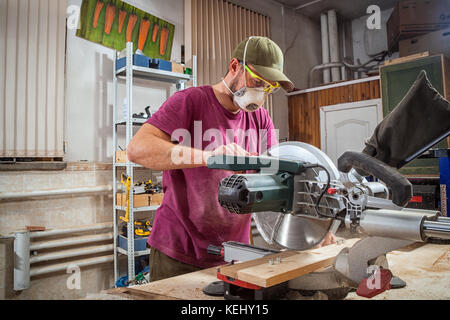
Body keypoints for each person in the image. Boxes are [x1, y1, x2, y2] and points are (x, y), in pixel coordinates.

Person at [127, 36, 334, 282]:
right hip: (179, 251)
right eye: (257, 81)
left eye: (268, 88)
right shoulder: (190, 102)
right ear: (234, 66)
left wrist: (315, 229)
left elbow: (281, 179)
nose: (260, 93)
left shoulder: (261, 120)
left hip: (236, 251)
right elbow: (138, 149)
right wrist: (210, 157)